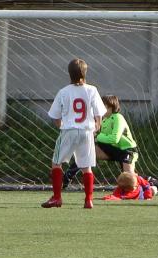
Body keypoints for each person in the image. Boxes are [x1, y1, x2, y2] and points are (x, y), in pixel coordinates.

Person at [41, 58, 106, 209]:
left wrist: (61, 126)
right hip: (86, 132)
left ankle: (57, 198)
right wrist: (96, 126)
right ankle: (88, 199)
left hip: (69, 130)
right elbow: (99, 114)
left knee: (56, 163)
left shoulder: (64, 92)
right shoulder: (92, 90)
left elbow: (55, 116)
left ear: (69, 74)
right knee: (86, 166)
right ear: (85, 72)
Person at [62, 94, 138, 188]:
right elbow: (97, 134)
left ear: (111, 107)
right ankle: (66, 178)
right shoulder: (104, 119)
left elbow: (114, 139)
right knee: (86, 152)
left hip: (127, 150)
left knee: (130, 179)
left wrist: (98, 137)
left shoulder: (118, 118)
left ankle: (154, 183)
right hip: (112, 149)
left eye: (103, 106)